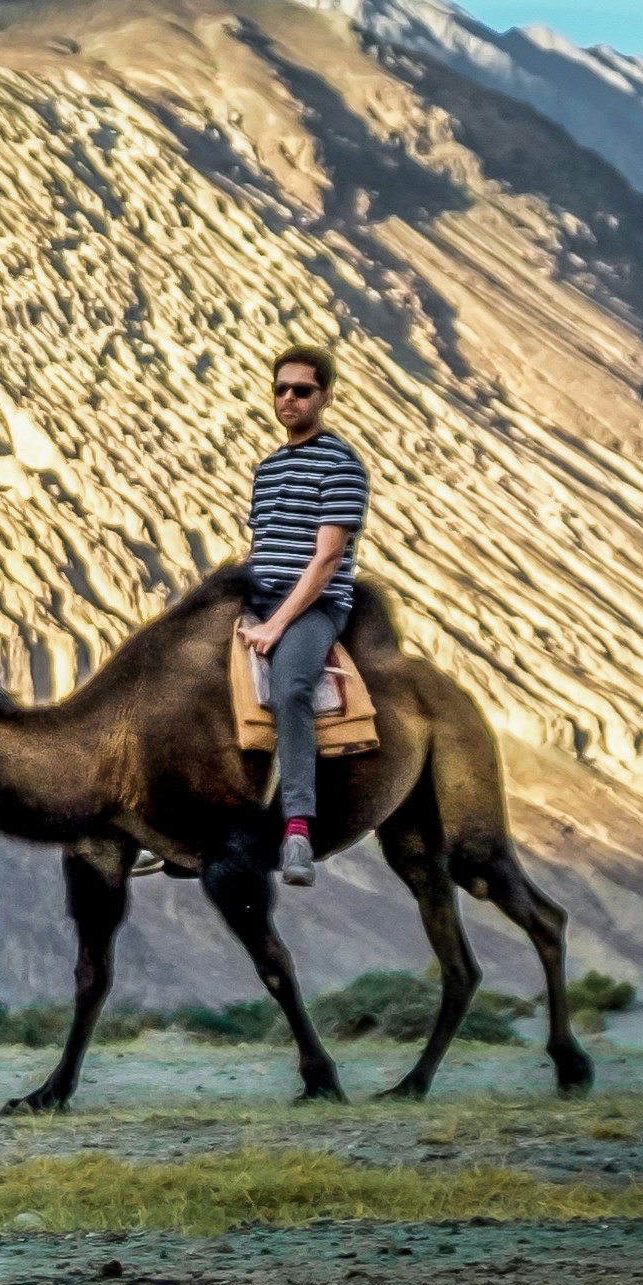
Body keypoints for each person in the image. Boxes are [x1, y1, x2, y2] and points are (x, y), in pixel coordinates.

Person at [240, 344, 370, 888]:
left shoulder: (340, 464)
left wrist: (276, 624)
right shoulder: (268, 468)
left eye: (302, 390)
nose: (289, 398)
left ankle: (297, 828)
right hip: (257, 597)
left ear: (326, 396)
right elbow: (264, 546)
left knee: (292, 687)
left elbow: (327, 557)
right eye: (281, 389)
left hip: (314, 606)